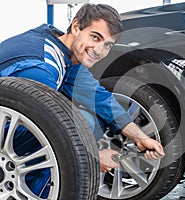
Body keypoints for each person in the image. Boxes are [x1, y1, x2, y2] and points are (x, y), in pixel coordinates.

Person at [0, 3, 165, 174]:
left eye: (107, 45)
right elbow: (50, 126)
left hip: (11, 125)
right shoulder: (41, 67)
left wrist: (141, 138)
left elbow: (100, 98)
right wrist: (92, 157)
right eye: (95, 37)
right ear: (76, 27)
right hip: (6, 137)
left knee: (94, 118)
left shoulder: (61, 48)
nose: (99, 50)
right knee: (79, 123)